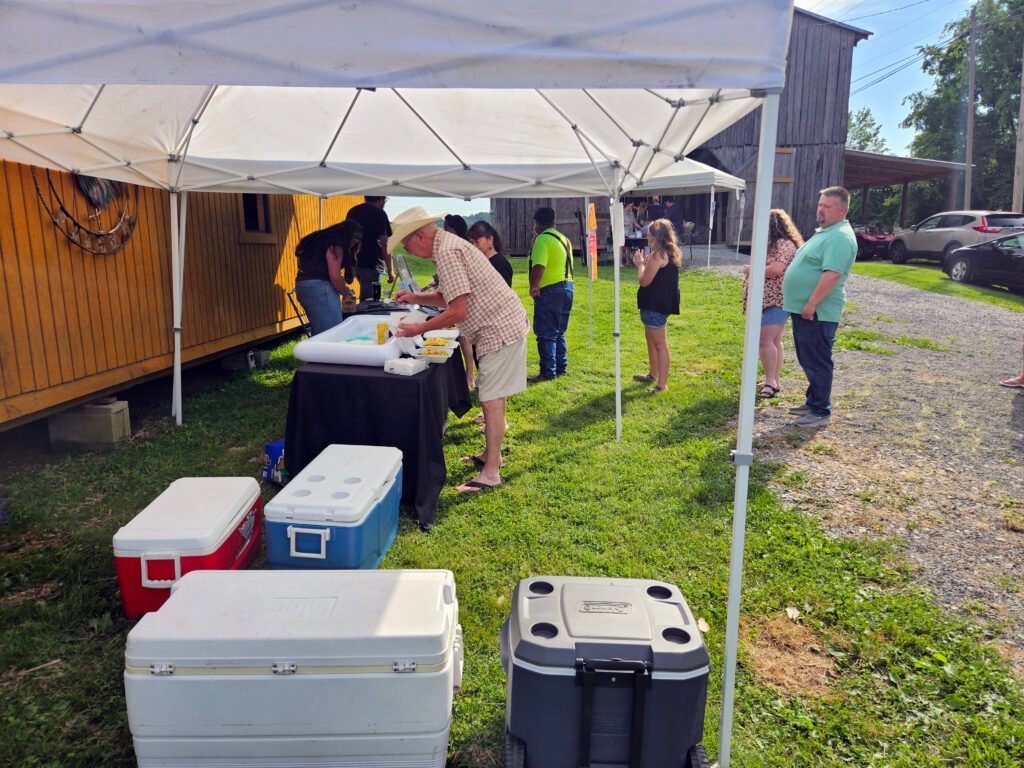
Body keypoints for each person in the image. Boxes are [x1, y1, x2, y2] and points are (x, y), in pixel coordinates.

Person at [390, 207, 528, 495]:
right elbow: (451, 295)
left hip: (499, 328)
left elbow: (457, 310)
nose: (409, 251)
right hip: (500, 324)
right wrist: (416, 297)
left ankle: (491, 473)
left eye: (407, 244)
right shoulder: (448, 246)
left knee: (490, 400)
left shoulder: (447, 251)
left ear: (419, 236)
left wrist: (420, 328)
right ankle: (493, 456)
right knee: (493, 398)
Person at [781, 186, 858, 428]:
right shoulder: (826, 232)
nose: (820, 210)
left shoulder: (840, 237)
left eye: (827, 206)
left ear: (842, 210)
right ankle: (813, 400)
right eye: (820, 205)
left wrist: (812, 303)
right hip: (806, 309)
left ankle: (820, 410)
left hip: (818, 312)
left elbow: (832, 274)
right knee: (808, 357)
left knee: (818, 360)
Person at [742, 209, 803, 398]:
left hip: (775, 300)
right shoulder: (776, 244)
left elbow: (776, 269)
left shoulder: (783, 244)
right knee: (775, 340)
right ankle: (774, 379)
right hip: (770, 300)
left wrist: (751, 269)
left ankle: (770, 383)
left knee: (764, 340)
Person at [631, 219, 681, 393]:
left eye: (649, 235)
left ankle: (661, 384)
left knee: (660, 344)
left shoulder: (658, 255)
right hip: (659, 304)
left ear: (656, 237)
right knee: (652, 341)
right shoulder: (670, 252)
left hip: (654, 306)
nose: (647, 238)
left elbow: (644, 281)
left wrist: (640, 265)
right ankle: (653, 374)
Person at [528, 206, 574, 382]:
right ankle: (561, 368)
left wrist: (534, 285)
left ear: (537, 225)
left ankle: (548, 372)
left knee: (546, 332)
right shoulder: (564, 239)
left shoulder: (542, 239)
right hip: (567, 287)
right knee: (559, 331)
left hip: (550, 289)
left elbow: (539, 265)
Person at [293, 221, 362, 336]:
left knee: (320, 333)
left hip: (302, 287)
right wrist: (346, 293)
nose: (356, 242)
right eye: (356, 238)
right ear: (347, 235)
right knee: (332, 333)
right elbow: (335, 276)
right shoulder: (335, 246)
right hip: (321, 289)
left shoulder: (314, 239)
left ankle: (316, 353)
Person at [345, 196, 393, 302]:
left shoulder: (353, 211)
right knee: (371, 302)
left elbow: (347, 238)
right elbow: (385, 244)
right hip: (372, 263)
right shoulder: (380, 214)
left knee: (366, 298)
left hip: (355, 262)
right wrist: (390, 270)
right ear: (380, 200)